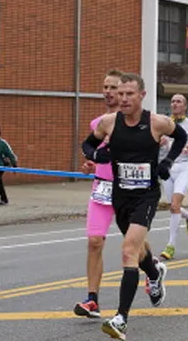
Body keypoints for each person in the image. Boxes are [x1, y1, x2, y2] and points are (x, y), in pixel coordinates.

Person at [81, 73, 186, 339]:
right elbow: (87, 144)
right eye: (122, 94)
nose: (124, 98)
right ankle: (154, 272)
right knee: (136, 248)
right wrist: (96, 154)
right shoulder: (109, 123)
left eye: (130, 94)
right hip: (120, 196)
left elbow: (182, 137)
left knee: (128, 250)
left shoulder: (157, 122)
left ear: (142, 95)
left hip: (146, 197)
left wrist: (167, 162)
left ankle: (120, 319)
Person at [73, 69, 121, 319]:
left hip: (128, 190)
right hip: (102, 188)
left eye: (113, 87)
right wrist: (92, 164)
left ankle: (153, 268)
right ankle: (92, 299)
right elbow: (94, 153)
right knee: (94, 242)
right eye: (105, 87)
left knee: (134, 245)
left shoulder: (135, 121)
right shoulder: (98, 124)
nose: (108, 92)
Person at [159, 94, 188, 261]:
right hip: (168, 168)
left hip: (184, 167)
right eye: (172, 101)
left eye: (179, 102)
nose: (175, 104)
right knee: (173, 207)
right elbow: (154, 139)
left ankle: (170, 246)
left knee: (175, 205)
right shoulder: (163, 123)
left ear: (185, 107)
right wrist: (160, 141)